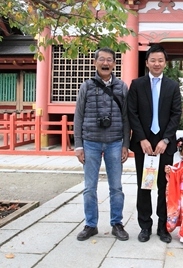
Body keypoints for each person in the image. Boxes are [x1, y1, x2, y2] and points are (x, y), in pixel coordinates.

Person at [73, 47, 130, 242]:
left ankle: (117, 223)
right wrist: (78, 145)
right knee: (90, 187)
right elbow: (78, 116)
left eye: (110, 60)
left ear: (114, 64)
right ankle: (90, 224)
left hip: (115, 142)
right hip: (90, 142)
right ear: (95, 62)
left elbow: (126, 117)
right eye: (102, 59)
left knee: (116, 187)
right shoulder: (86, 86)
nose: (106, 63)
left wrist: (126, 144)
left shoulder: (122, 87)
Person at [128, 44, 182, 243]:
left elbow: (176, 115)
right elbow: (132, 113)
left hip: (164, 145)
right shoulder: (137, 84)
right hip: (144, 144)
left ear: (165, 63)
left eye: (160, 60)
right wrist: (141, 138)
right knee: (144, 186)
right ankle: (145, 226)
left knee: (163, 186)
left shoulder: (172, 86)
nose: (157, 63)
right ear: (147, 63)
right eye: (153, 60)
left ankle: (163, 227)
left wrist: (166, 139)